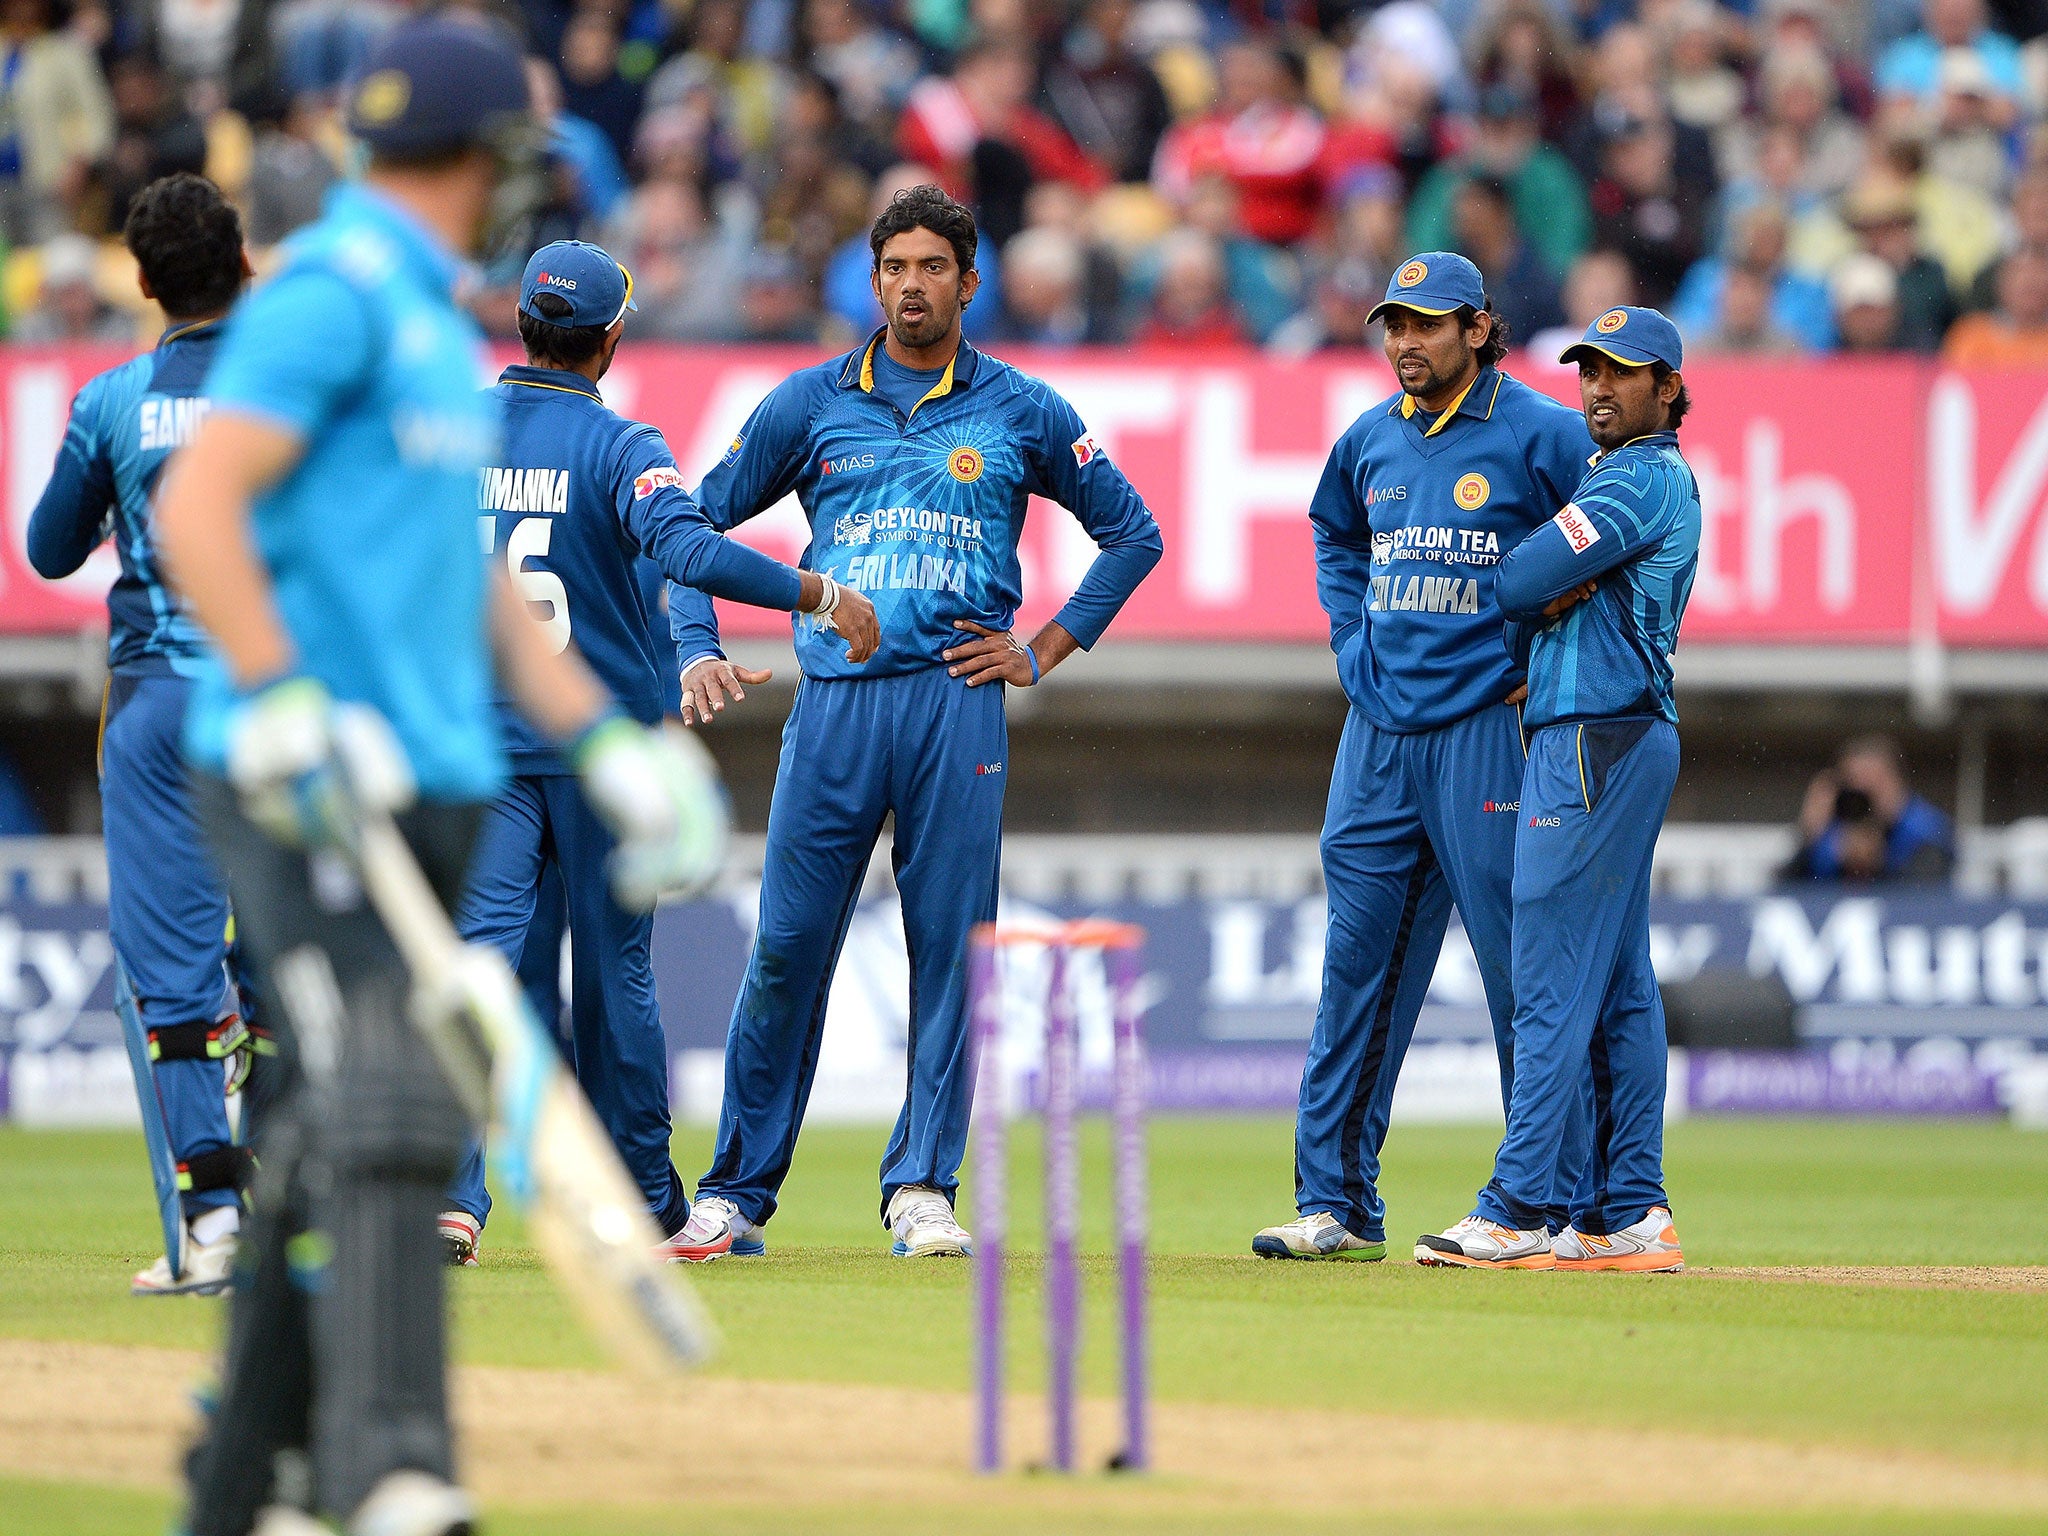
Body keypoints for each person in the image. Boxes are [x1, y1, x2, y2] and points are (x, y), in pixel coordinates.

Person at [153, 20, 721, 1535]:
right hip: (306, 778)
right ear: (501, 166)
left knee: (317, 1122)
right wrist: (277, 699)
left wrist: (607, 733)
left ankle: (241, 1478)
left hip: (440, 772)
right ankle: (396, 1464)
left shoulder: (426, 320)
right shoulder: (335, 297)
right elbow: (201, 505)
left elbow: (462, 581)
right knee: (394, 1105)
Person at [661, 184, 1162, 1262]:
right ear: (873, 280)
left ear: (968, 282)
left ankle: (921, 1187)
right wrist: (696, 646)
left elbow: (1132, 534)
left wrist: (1040, 650)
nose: (911, 285)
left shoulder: (1021, 407)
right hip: (835, 705)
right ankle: (734, 1195)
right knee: (788, 950)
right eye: (894, 268)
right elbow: (684, 527)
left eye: (932, 267)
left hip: (955, 703)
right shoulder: (809, 403)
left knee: (949, 952)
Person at [438, 239, 880, 1266]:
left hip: (483, 751)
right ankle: (646, 1205)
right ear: (611, 335)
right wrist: (816, 591)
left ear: (523, 325)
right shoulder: (620, 444)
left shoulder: (447, 431)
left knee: (484, 969)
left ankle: (453, 1199)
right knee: (615, 978)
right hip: (599, 755)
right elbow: (686, 550)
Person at [1250, 252, 1593, 1262]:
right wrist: (1352, 643)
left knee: (1514, 972)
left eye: (1428, 325)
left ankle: (1549, 1205)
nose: (1405, 343)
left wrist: (1559, 658)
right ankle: (1334, 1201)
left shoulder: (1542, 434)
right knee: (1350, 973)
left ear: (1479, 329)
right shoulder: (1366, 441)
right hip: (1377, 736)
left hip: (1487, 730)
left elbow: (1621, 535)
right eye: (1393, 325)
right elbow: (1332, 535)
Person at [1419, 304, 1701, 1273]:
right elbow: (1531, 592)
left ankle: (1520, 1204)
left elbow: (1515, 579)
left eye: (1620, 374)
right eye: (1587, 371)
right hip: (1611, 735)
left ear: (1665, 388)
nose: (1596, 389)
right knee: (1616, 983)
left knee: (1543, 972)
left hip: (1593, 738)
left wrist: (1537, 588)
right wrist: (1539, 592)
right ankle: (1627, 1209)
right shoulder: (1614, 478)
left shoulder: (1634, 478)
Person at [24, 172, 254, 1296]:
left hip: (163, 701)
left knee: (173, 977)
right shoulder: (297, 392)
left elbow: (49, 551)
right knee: (288, 957)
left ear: (148, 282)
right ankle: (311, 1203)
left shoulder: (113, 399)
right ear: (246, 265)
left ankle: (215, 1218)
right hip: (282, 696)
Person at [1783, 735, 1955, 882]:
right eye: (1852, 782)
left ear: (1895, 781)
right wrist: (1808, 838)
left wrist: (1879, 862)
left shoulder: (1923, 827)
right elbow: (1785, 893)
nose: (1862, 791)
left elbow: (1926, 897)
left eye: (1872, 781)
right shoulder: (1832, 830)